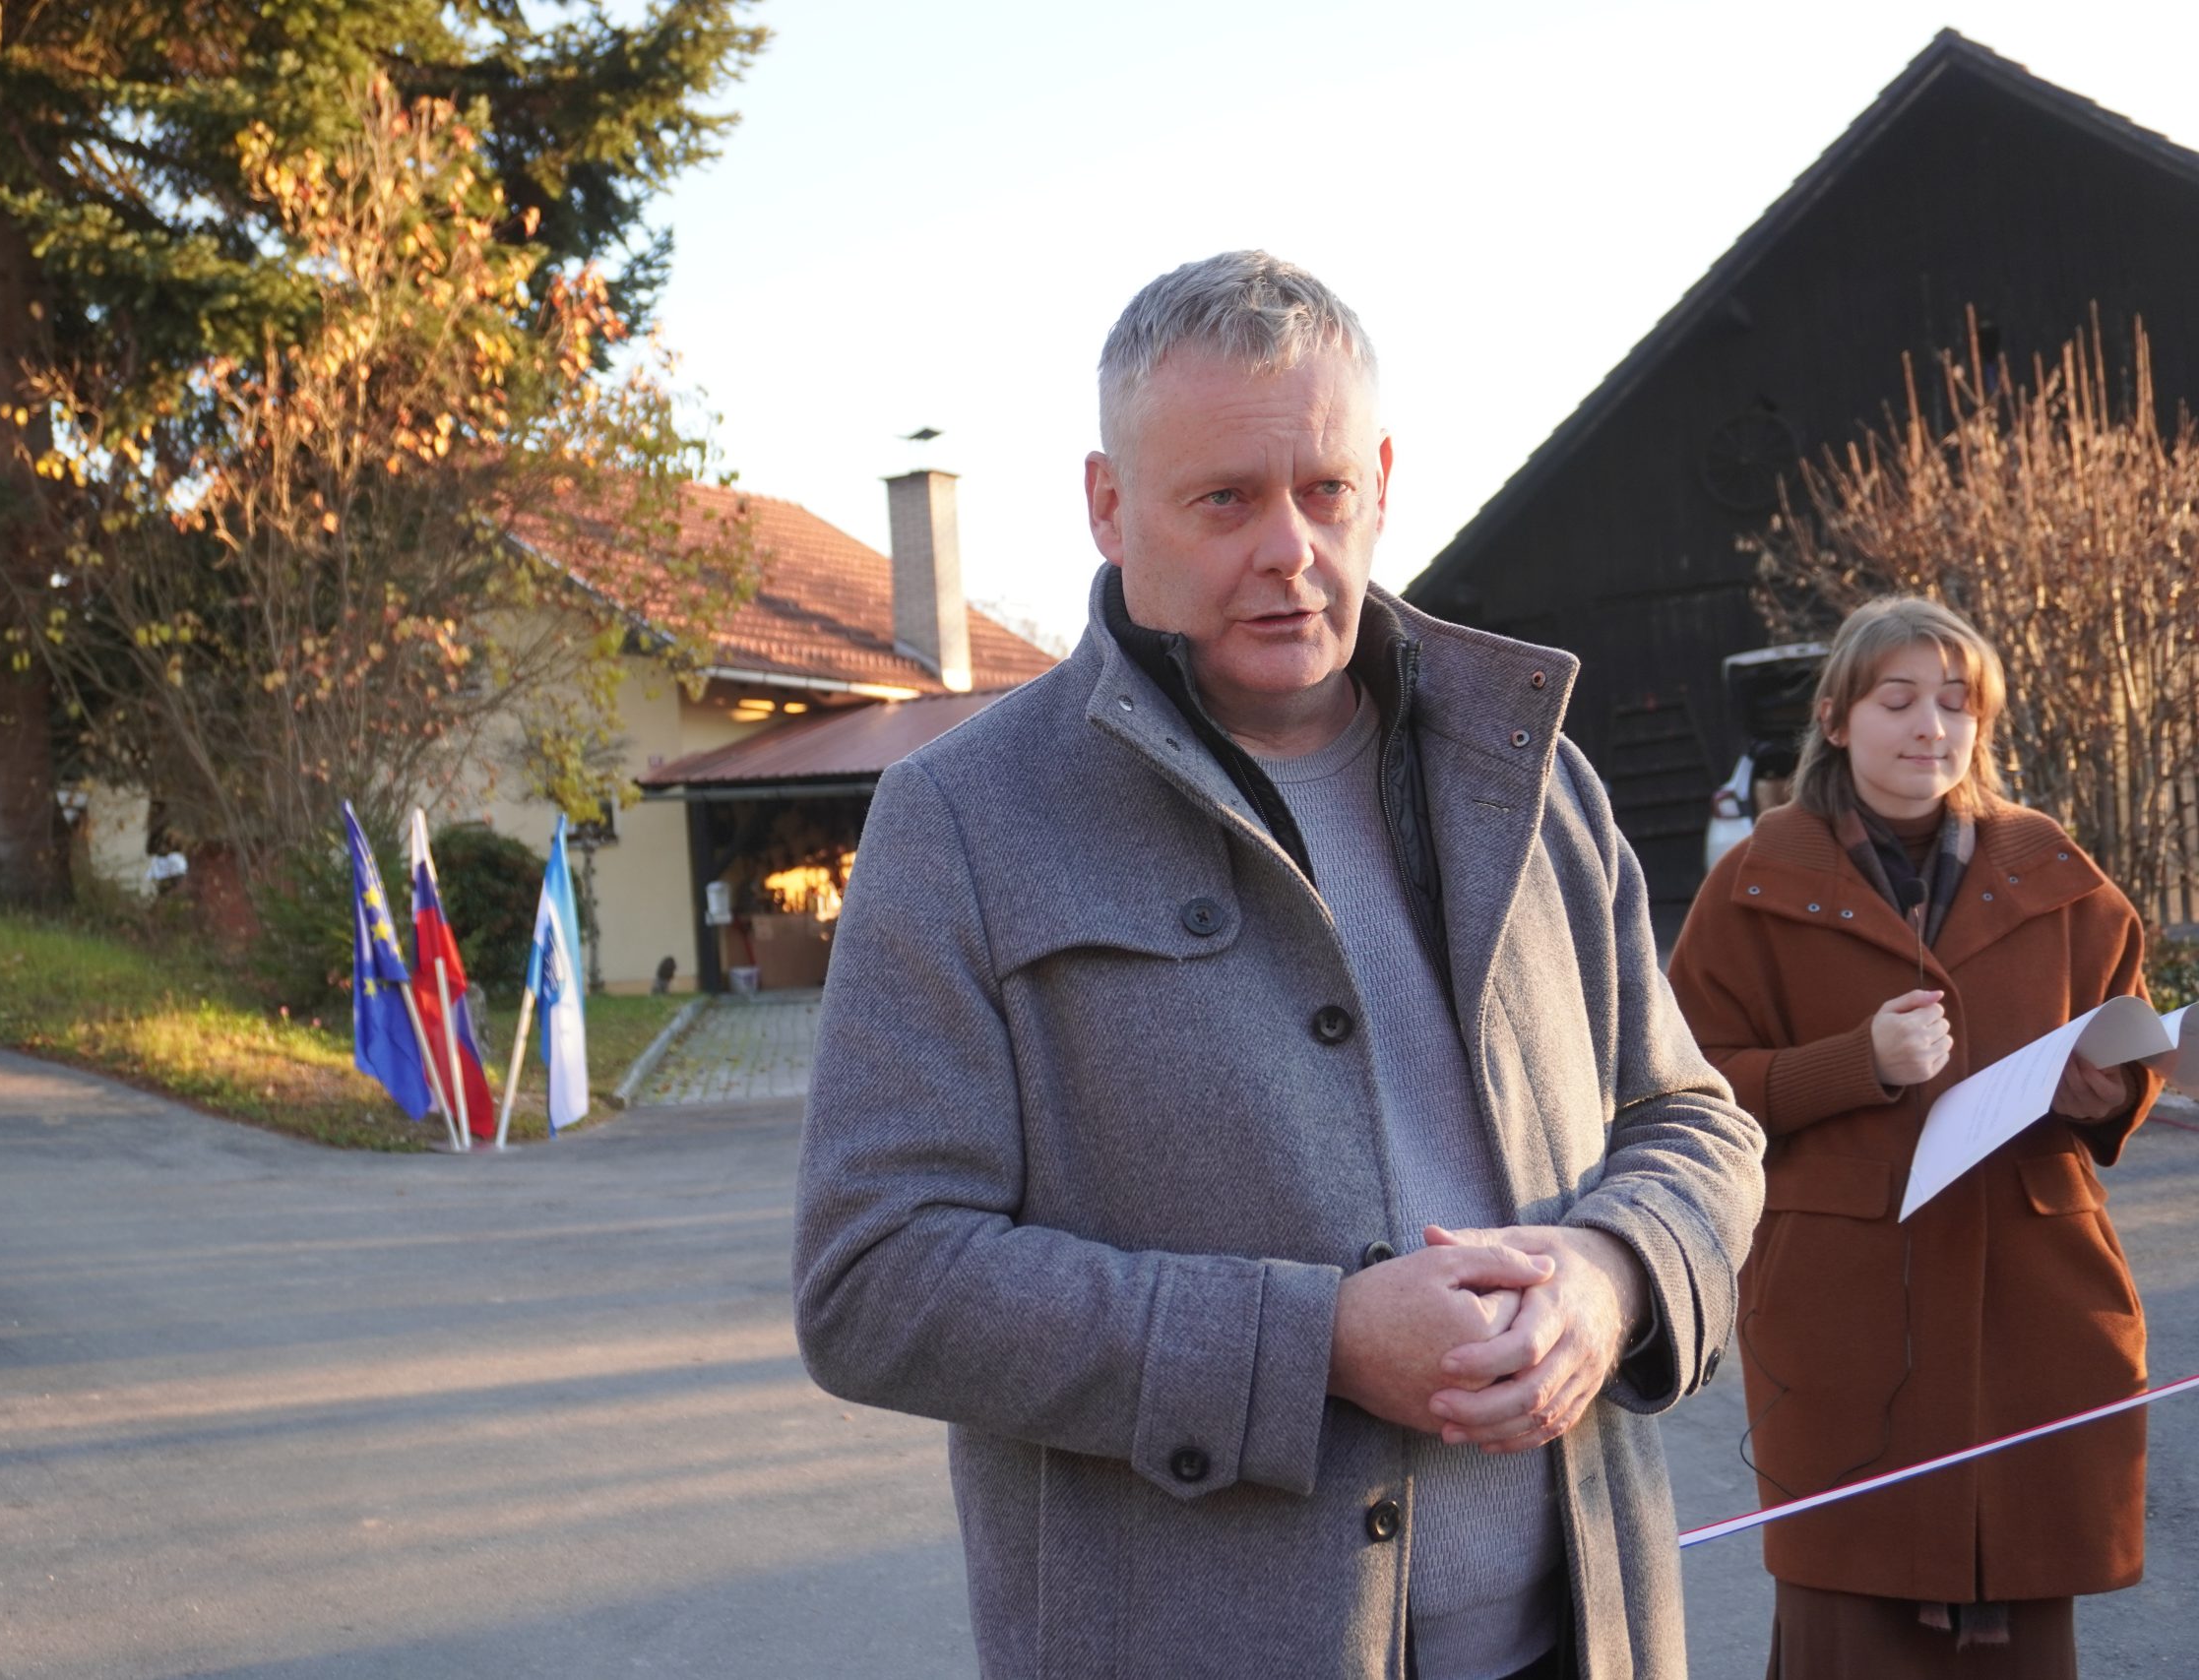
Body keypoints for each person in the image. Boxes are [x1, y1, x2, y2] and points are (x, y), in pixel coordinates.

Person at [791, 251, 1764, 1680]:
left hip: (1587, 1638)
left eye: (1323, 489)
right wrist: (1314, 1344)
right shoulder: (965, 820)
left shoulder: (1531, 774)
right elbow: (876, 1280)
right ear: (1108, 505)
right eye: (1225, 499)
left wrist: (1613, 1274)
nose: (1289, 548)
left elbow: (1693, 1121)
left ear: (1382, 478)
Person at [1666, 596, 2158, 1677]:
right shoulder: (1754, 885)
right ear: (1836, 718)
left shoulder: (2057, 875)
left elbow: (2131, 1034)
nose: (1930, 726)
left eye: (1956, 703)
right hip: (1846, 1313)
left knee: (2023, 1603)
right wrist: (1858, 1062)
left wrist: (2108, 1093)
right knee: (1852, 1618)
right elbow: (1685, 1088)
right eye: (1898, 701)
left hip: (2035, 1306)